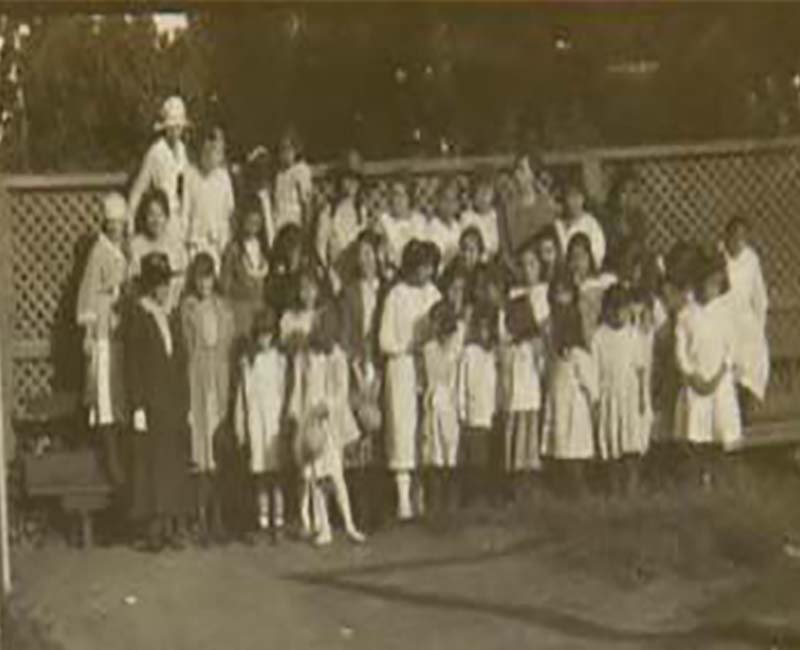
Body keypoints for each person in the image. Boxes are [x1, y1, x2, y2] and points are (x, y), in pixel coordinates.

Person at [126, 252, 192, 552]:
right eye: (157, 284)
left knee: (174, 461)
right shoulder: (140, 315)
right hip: (152, 400)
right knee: (153, 463)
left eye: (165, 283)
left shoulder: (171, 314)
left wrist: (185, 400)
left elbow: (181, 360)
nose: (162, 290)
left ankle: (173, 524)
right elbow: (133, 365)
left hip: (173, 399)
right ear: (147, 286)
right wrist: (137, 405)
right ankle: (155, 526)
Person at [289, 306, 365, 546]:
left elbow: (341, 391)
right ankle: (324, 528)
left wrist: (328, 406)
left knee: (336, 475)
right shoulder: (304, 355)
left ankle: (350, 524)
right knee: (315, 477)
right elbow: (298, 388)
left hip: (329, 423)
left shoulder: (337, 356)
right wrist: (296, 414)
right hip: (309, 419)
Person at [379, 240, 441, 520]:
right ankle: (403, 498)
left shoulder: (433, 293)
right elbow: (384, 340)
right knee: (402, 429)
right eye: (422, 267)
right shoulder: (396, 295)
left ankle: (421, 492)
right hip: (402, 366)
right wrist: (408, 345)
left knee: (425, 428)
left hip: (427, 367)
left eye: (430, 267)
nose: (426, 273)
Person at [180, 253, 235, 545]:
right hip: (199, 381)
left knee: (219, 450)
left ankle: (219, 518)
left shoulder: (223, 309)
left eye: (209, 276)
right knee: (201, 452)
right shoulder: (189, 310)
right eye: (200, 277)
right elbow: (188, 350)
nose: (205, 283)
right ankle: (200, 519)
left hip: (219, 381)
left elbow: (226, 345)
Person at [76, 192, 129, 491]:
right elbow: (89, 294)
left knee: (120, 397)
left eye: (119, 224)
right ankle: (113, 466)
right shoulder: (99, 252)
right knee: (106, 398)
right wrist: (89, 332)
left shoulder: (123, 251)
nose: (115, 228)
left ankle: (121, 462)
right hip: (104, 334)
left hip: (121, 332)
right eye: (110, 224)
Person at [674, 251, 741, 487]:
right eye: (707, 283)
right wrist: (694, 377)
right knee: (698, 433)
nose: (711, 289)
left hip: (719, 382)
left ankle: (717, 474)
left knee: (719, 430)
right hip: (696, 382)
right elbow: (681, 353)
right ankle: (701, 475)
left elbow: (731, 348)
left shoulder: (725, 312)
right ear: (698, 282)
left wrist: (719, 375)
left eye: (716, 284)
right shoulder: (686, 314)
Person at [337, 230, 385, 531]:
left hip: (378, 366)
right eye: (362, 254)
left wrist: (377, 374)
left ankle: (378, 507)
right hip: (357, 367)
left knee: (377, 433)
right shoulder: (349, 292)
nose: (366, 260)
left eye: (371, 253)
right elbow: (346, 334)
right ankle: (357, 508)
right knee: (357, 433)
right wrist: (356, 370)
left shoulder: (387, 289)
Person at [540, 270, 599, 497]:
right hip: (558, 399)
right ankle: (564, 490)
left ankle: (580, 490)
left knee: (574, 448)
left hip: (575, 406)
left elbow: (589, 380)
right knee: (560, 445)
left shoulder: (577, 353)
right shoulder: (554, 348)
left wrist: (594, 400)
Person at [234, 308, 288, 541]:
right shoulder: (249, 362)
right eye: (261, 335)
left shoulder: (280, 360)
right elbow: (242, 397)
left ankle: (278, 519)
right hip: (256, 420)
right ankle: (263, 520)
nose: (265, 340)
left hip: (274, 420)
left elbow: (284, 393)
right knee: (260, 474)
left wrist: (285, 422)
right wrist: (241, 425)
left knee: (276, 473)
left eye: (268, 335)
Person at [501, 241, 549, 500]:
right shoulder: (514, 296)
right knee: (518, 420)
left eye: (533, 264)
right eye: (524, 264)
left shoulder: (545, 292)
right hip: (519, 360)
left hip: (539, 360)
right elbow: (506, 330)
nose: (528, 269)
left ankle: (536, 476)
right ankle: (517, 480)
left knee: (537, 419)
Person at [592, 284, 647, 496]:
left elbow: (641, 368)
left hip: (629, 396)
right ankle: (614, 490)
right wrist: (596, 401)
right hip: (609, 396)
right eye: (613, 309)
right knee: (612, 442)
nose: (618, 314)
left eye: (622, 309)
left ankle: (632, 489)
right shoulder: (599, 336)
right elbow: (595, 370)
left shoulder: (633, 334)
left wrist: (642, 395)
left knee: (631, 444)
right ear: (605, 310)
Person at [722, 216, 769, 420]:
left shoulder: (751, 259)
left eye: (743, 237)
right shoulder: (719, 256)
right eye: (734, 236)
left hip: (745, 319)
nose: (738, 242)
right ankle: (729, 413)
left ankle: (745, 408)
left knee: (753, 353)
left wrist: (758, 325)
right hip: (723, 318)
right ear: (726, 236)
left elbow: (759, 296)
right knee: (728, 359)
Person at [128, 96, 191, 241]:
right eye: (172, 127)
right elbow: (139, 187)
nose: (176, 131)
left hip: (180, 216)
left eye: (179, 127)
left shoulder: (182, 150)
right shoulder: (156, 152)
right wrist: (130, 220)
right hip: (161, 218)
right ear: (165, 128)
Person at [421, 300, 464, 514]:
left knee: (451, 451)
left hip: (450, 403)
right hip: (434, 403)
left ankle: (452, 501)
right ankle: (436, 502)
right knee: (434, 452)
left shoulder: (456, 349)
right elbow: (427, 378)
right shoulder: (428, 349)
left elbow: (456, 379)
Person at [457, 305, 499, 505]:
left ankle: (486, 496)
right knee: (475, 459)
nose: (485, 332)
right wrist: (462, 409)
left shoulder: (493, 354)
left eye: (488, 328)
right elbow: (461, 383)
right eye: (481, 328)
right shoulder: (469, 353)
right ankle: (472, 498)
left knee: (488, 458)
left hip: (490, 412)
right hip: (473, 413)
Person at [219, 197, 270, 346]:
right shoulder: (233, 249)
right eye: (250, 220)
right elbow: (224, 287)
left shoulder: (262, 247)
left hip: (259, 313)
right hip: (240, 314)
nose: (254, 225)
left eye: (257, 221)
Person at [128, 188, 188, 312]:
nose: (156, 221)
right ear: (144, 217)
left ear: (167, 217)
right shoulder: (135, 245)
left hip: (171, 308)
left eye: (160, 215)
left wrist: (170, 304)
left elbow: (181, 281)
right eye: (151, 215)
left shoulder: (176, 245)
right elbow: (132, 283)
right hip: (144, 311)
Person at [315, 152, 367, 293]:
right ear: (340, 181)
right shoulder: (329, 211)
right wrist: (329, 274)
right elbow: (320, 248)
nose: (351, 184)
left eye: (355, 180)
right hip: (334, 275)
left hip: (355, 274)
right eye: (347, 179)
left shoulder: (360, 210)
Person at [185, 127, 235, 269]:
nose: (211, 156)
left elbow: (229, 212)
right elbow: (185, 210)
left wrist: (225, 242)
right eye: (207, 151)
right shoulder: (190, 174)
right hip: (195, 241)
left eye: (217, 152)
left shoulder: (224, 177)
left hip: (216, 242)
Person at [499, 152, 555, 264]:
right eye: (516, 170)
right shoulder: (506, 207)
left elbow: (550, 244)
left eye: (521, 170)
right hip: (517, 268)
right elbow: (506, 248)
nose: (516, 174)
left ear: (532, 175)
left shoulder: (546, 205)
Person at [567, 233, 616, 344]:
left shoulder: (606, 280)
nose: (576, 263)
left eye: (581, 257)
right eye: (572, 258)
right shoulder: (569, 289)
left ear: (589, 256)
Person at [554, 179, 606, 270]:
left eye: (577, 196)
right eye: (569, 196)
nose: (573, 201)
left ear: (583, 198)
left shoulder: (591, 224)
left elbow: (598, 253)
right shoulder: (556, 224)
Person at [377, 177, 426, 272]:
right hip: (393, 272)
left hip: (416, 272)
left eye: (403, 195)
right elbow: (380, 256)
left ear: (409, 198)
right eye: (395, 195)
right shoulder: (384, 221)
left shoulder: (419, 220)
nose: (398, 200)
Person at [273, 129, 313, 235]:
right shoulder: (279, 174)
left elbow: (306, 205)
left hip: (294, 224)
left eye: (287, 149)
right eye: (281, 150)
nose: (284, 154)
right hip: (278, 224)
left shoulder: (301, 170)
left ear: (296, 150)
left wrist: (305, 231)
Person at [460, 167, 500, 260]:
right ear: (473, 193)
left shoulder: (497, 216)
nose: (484, 196)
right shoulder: (467, 217)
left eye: (488, 191)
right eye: (480, 191)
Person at [242, 146, 277, 247]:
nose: (263, 172)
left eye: (266, 167)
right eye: (258, 168)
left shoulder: (268, 193)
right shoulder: (252, 196)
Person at [426, 175, 463, 268]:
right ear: (437, 202)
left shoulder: (458, 226)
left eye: (453, 200)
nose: (449, 205)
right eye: (445, 200)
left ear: (457, 205)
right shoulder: (431, 227)